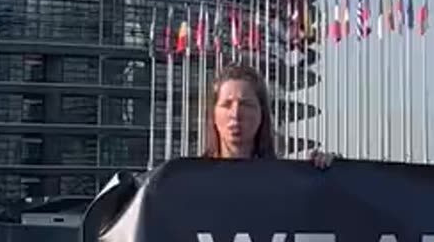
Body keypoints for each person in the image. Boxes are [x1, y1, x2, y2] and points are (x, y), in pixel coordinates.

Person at [83, 64, 333, 242]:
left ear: (261, 115)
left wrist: (334, 175)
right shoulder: (179, 184)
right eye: (227, 104)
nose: (236, 114)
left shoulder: (286, 186)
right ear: (214, 115)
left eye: (246, 104)